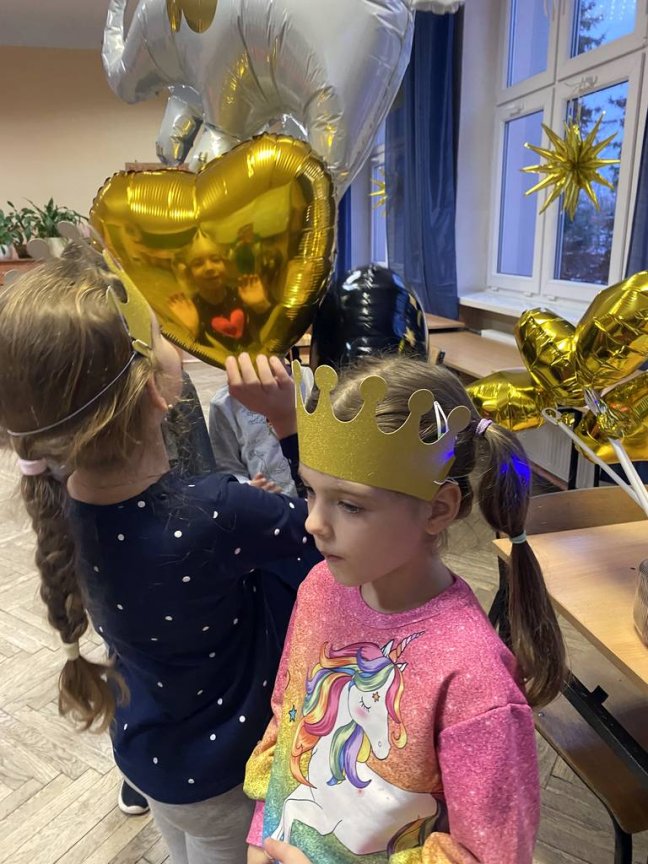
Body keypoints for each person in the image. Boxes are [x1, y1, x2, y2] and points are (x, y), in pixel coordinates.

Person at [0, 244, 316, 864]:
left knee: (184, 848)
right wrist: (288, 425)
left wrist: (239, 511)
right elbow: (329, 538)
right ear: (155, 389)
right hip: (227, 770)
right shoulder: (221, 513)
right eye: (161, 332)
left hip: (148, 756)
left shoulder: (62, 509)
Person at [237, 356, 567, 864]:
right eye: (310, 492)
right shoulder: (320, 587)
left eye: (350, 504)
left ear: (438, 508)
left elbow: (489, 856)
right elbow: (291, 718)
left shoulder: (474, 680)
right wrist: (264, 829)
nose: (313, 523)